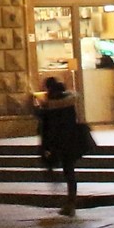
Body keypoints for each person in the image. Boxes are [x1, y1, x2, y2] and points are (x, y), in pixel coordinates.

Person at [35, 77, 95, 216]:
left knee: (57, 167)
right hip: (71, 140)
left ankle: (66, 199)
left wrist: (44, 147)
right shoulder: (69, 102)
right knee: (69, 171)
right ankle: (71, 201)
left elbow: (44, 127)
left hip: (56, 142)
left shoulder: (48, 105)